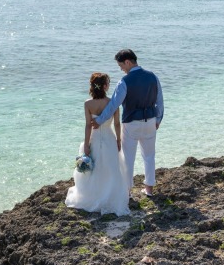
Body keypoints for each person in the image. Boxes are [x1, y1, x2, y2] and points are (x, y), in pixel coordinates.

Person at [92, 49, 163, 197]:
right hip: (150, 121)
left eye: (121, 66)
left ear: (128, 62)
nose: (121, 69)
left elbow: (113, 105)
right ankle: (149, 190)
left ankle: (127, 192)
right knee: (149, 156)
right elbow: (159, 101)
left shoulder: (124, 82)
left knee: (128, 158)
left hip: (131, 123)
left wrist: (99, 120)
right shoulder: (153, 77)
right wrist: (158, 119)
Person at [65, 73, 130, 216]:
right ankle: (110, 195)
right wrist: (119, 140)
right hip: (109, 138)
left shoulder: (88, 104)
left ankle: (93, 195)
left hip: (94, 139)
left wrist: (86, 144)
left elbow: (88, 125)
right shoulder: (112, 103)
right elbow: (117, 124)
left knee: (94, 170)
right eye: (108, 83)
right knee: (111, 168)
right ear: (105, 86)